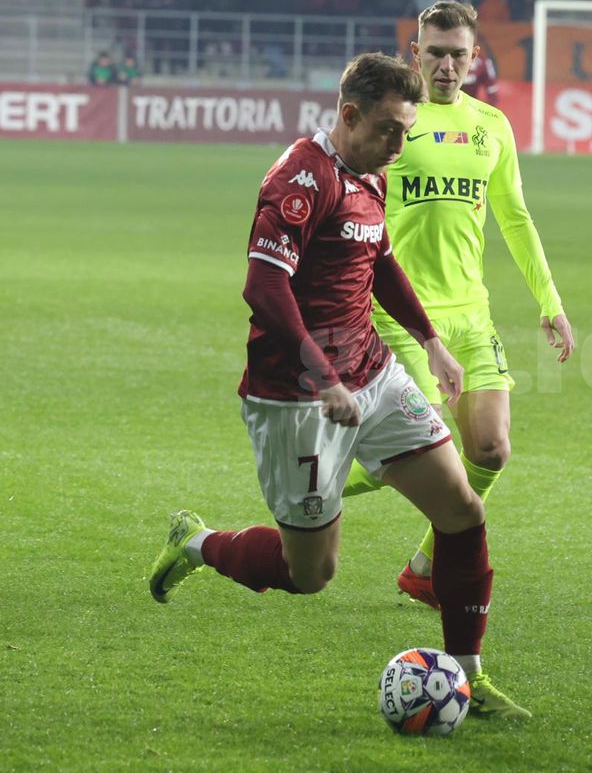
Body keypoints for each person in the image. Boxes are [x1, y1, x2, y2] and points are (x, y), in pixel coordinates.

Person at [146, 52, 530, 719]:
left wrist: (432, 342)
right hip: (296, 397)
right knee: (310, 573)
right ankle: (197, 544)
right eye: (389, 129)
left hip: (373, 375)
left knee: (462, 510)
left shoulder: (372, 173)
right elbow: (263, 285)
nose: (399, 145)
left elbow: (380, 264)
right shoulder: (302, 177)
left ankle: (469, 678)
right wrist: (322, 377)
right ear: (349, 115)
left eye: (406, 130)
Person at [342, 1, 575, 609]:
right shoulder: (393, 120)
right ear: (414, 54)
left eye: (458, 55)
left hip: (472, 315)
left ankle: (425, 566)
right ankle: (315, 484)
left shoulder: (491, 125)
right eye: (435, 53)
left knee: (490, 450)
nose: (446, 66)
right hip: (400, 313)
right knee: (427, 444)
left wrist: (549, 300)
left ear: (475, 58)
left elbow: (515, 217)